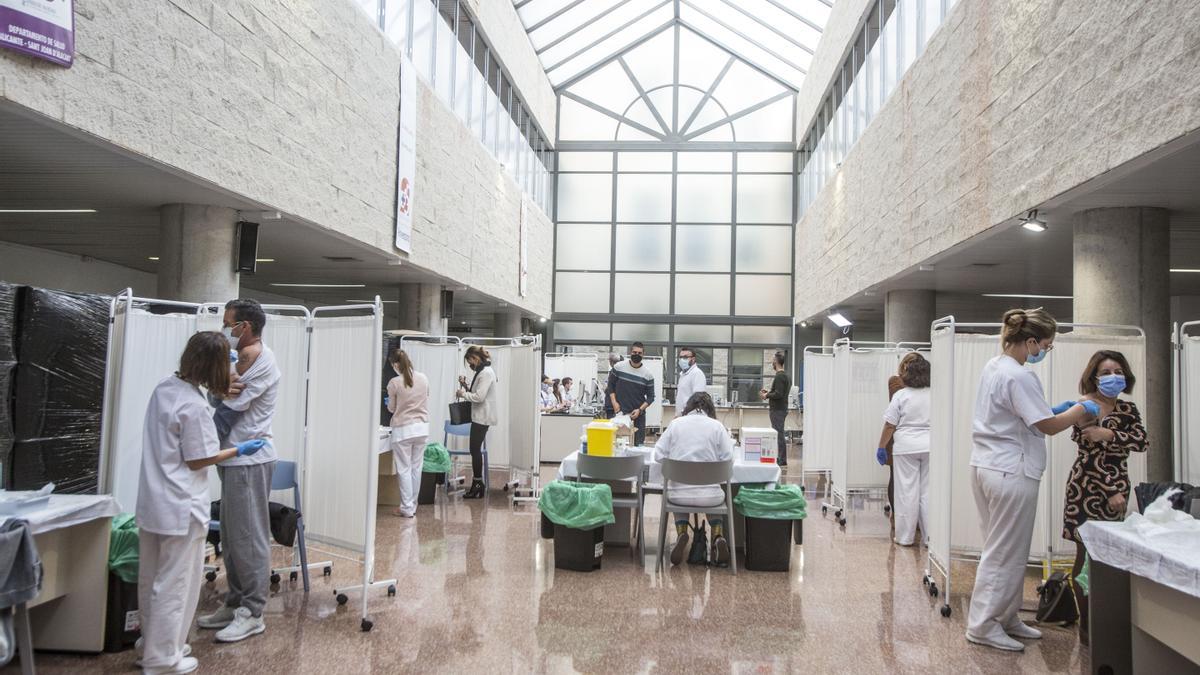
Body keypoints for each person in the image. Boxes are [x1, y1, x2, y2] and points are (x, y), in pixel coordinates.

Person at [965, 308, 1100, 652]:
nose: (1046, 351)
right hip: (1011, 470)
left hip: (989, 466)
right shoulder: (1019, 376)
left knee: (1006, 549)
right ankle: (983, 625)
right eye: (1047, 345)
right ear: (1029, 342)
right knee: (1004, 553)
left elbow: (1023, 415)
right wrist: (1082, 409)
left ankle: (1006, 617)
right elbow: (1048, 427)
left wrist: (1056, 409)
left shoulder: (996, 366)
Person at [136, 332, 266, 675]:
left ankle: (150, 647)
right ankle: (164, 659)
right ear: (215, 366)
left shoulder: (166, 387)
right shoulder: (193, 406)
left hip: (153, 504)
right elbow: (199, 459)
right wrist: (239, 449)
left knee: (151, 580)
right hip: (180, 506)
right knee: (176, 585)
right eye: (228, 361)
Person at [198, 299, 281, 643]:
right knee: (231, 540)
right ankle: (234, 602)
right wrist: (214, 389)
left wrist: (195, 449)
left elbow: (224, 413)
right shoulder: (240, 359)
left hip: (250, 460)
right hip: (231, 459)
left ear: (244, 326)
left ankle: (253, 611)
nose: (225, 328)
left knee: (249, 539)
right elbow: (219, 397)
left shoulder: (259, 361)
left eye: (228, 323)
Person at [1060, 350, 1148, 646]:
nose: (1113, 377)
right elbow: (1089, 455)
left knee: (1107, 557)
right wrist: (1110, 490)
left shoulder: (1128, 410)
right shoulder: (1085, 407)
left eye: (1118, 371)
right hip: (1086, 487)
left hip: (1119, 489)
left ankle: (1107, 620)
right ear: (1094, 377)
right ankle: (1086, 628)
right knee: (1084, 556)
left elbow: (1142, 441)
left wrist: (1109, 435)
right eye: (1106, 372)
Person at [653, 392, 735, 567]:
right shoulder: (717, 427)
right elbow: (728, 459)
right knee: (711, 492)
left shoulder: (675, 425)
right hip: (710, 497)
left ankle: (682, 532)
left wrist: (675, 458)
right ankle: (718, 536)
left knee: (678, 488)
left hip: (678, 495)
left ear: (688, 407)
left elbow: (657, 455)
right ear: (709, 409)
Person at [876, 356, 931, 546]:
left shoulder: (901, 395)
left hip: (906, 448)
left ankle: (905, 537)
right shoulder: (935, 394)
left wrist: (881, 446)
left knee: (906, 492)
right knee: (927, 493)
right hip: (930, 446)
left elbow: (890, 425)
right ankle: (929, 538)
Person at [387, 348, 430, 518]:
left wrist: (390, 404)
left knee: (404, 469)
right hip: (422, 428)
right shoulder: (424, 378)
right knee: (416, 468)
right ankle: (412, 505)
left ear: (395, 364)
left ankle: (406, 507)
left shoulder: (394, 383)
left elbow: (392, 408)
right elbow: (426, 398)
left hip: (403, 430)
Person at [886, 352, 923, 532]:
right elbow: (891, 419)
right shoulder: (896, 382)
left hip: (915, 441)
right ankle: (897, 517)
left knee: (918, 484)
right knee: (896, 480)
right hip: (896, 439)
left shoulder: (925, 389)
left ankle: (915, 520)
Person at [457, 346, 497, 499]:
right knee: (474, 450)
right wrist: (466, 386)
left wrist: (462, 393)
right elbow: (477, 393)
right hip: (479, 416)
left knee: (474, 450)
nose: (470, 365)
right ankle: (477, 483)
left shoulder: (486, 373)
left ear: (476, 358)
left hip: (482, 417)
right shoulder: (483, 371)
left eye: (470, 361)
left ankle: (478, 483)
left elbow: (479, 397)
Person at [607, 342, 655, 446]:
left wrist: (640, 410)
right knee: (615, 444)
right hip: (619, 413)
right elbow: (610, 386)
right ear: (630, 352)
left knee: (638, 446)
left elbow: (651, 397)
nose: (636, 354)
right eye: (634, 352)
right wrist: (614, 402)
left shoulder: (648, 375)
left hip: (638, 416)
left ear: (643, 354)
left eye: (639, 353)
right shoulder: (619, 367)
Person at [759, 351, 791, 466]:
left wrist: (766, 395)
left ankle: (782, 460)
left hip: (777, 410)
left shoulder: (780, 376)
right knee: (779, 434)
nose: (772, 363)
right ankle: (781, 458)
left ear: (776, 362)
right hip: (781, 409)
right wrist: (769, 392)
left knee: (779, 434)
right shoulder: (786, 376)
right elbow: (779, 392)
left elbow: (778, 394)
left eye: (773, 361)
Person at [603, 353, 623, 418]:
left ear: (611, 362)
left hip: (612, 405)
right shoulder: (617, 372)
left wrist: (606, 389)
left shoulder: (614, 372)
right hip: (613, 404)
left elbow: (611, 388)